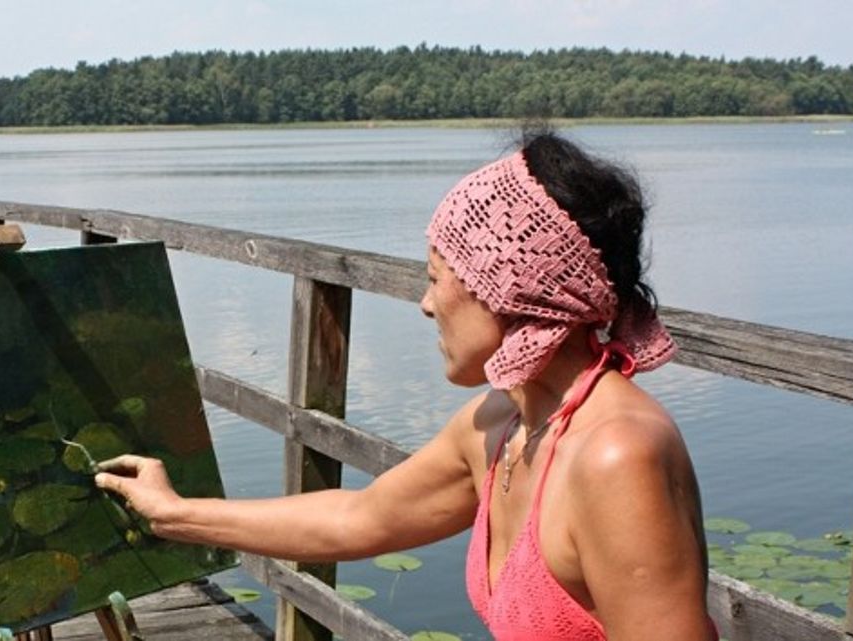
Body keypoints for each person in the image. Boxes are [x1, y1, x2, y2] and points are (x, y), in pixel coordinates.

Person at [95, 129, 717, 641]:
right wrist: (175, 514)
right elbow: (358, 518)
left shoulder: (617, 456)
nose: (425, 304)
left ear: (509, 289)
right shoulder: (501, 422)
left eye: (437, 276)